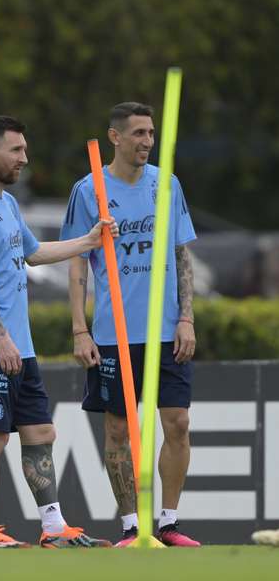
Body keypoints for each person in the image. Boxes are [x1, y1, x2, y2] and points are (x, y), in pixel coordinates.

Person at [0, 115, 114, 549]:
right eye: (17, 150)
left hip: (19, 345)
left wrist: (89, 241)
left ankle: (54, 528)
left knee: (41, 433)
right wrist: (0, 336)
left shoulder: (7, 204)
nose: (25, 158)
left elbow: (35, 254)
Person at [61, 102, 199, 547]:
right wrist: (80, 329)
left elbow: (181, 255)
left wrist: (186, 317)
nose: (146, 142)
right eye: (138, 133)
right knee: (119, 429)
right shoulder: (89, 190)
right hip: (113, 334)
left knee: (176, 423)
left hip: (165, 332)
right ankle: (130, 526)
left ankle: (169, 523)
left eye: (151, 133)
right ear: (114, 138)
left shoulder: (167, 184)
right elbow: (76, 262)